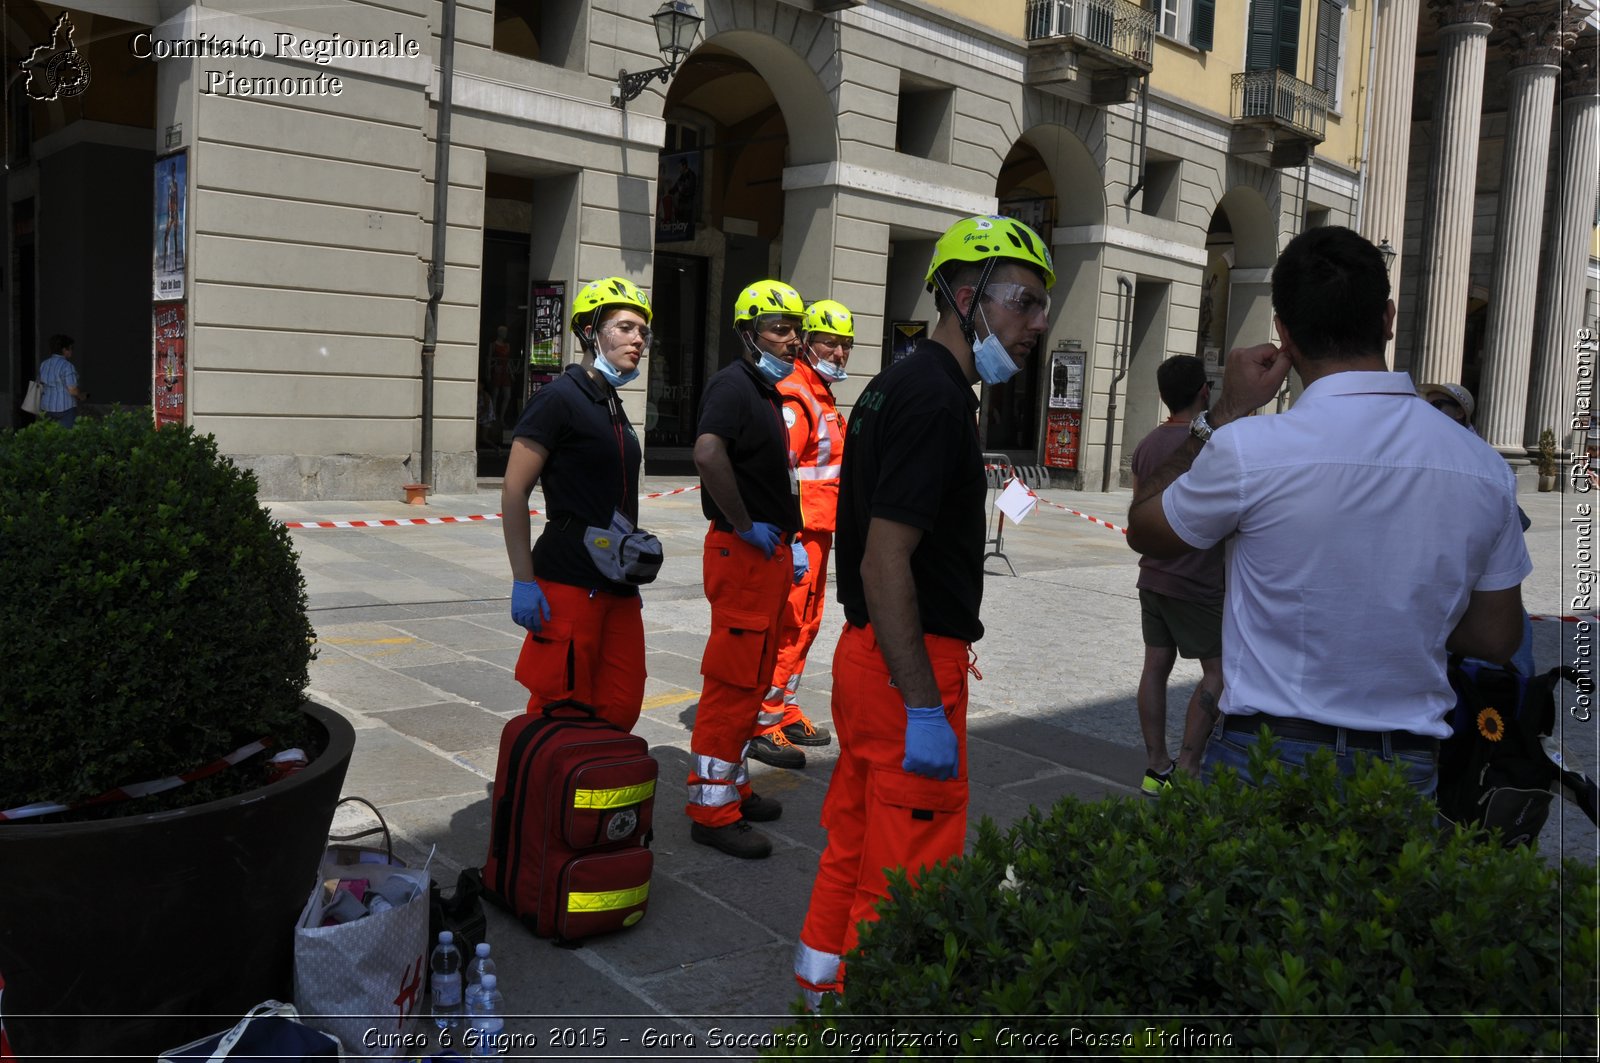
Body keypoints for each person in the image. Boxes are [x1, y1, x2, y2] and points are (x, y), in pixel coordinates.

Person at [1125, 227, 1531, 794]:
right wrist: (1396, 608)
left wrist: (1221, 413)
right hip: (1402, 759)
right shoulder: (1483, 467)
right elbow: (1496, 637)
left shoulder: (1249, 450)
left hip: (1265, 750)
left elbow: (1145, 527)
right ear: (1388, 318)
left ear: (1284, 336)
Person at [793, 215, 1054, 1009]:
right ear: (967, 297)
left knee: (855, 839)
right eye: (1024, 302)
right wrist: (924, 706)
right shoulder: (938, 400)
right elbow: (883, 557)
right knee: (908, 869)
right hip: (910, 666)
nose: (1037, 324)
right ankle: (878, 1018)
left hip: (871, 654)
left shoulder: (891, 384)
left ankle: (820, 992)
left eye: (1043, 306)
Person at [686, 279, 808, 860]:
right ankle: (711, 812)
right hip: (745, 556)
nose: (792, 340)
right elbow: (708, 453)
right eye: (780, 328)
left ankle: (732, 786)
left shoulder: (763, 391)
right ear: (747, 332)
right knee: (732, 687)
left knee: (754, 681)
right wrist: (741, 523)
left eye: (795, 329)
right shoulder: (734, 386)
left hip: (767, 555)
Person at [501, 277, 655, 732]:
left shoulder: (611, 402)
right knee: (560, 708)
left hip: (618, 584)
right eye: (625, 327)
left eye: (643, 332)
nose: (637, 340)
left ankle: (599, 803)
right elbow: (513, 490)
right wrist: (523, 580)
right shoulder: (558, 399)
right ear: (590, 331)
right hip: (568, 581)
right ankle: (548, 801)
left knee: (621, 705)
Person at [747, 300, 853, 771]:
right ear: (807, 343)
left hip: (821, 530)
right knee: (787, 626)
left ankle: (784, 709)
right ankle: (763, 724)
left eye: (846, 344)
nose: (839, 353)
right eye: (830, 342)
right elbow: (778, 472)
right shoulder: (796, 394)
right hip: (800, 531)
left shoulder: (821, 394)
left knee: (806, 626)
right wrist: (789, 538)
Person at [1128, 355, 1224, 788]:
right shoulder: (1212, 442)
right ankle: (1187, 765)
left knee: (1155, 668)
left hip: (1154, 575)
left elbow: (1138, 509)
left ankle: (1156, 765)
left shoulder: (1148, 444)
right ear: (1204, 391)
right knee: (1220, 672)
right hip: (1197, 578)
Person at [37, 334, 84, 427]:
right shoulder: (67, 366)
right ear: (64, 350)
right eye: (70, 348)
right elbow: (73, 390)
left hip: (46, 407)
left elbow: (39, 383)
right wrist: (80, 395)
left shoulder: (44, 364)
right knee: (66, 438)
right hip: (65, 408)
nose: (72, 351)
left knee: (50, 437)